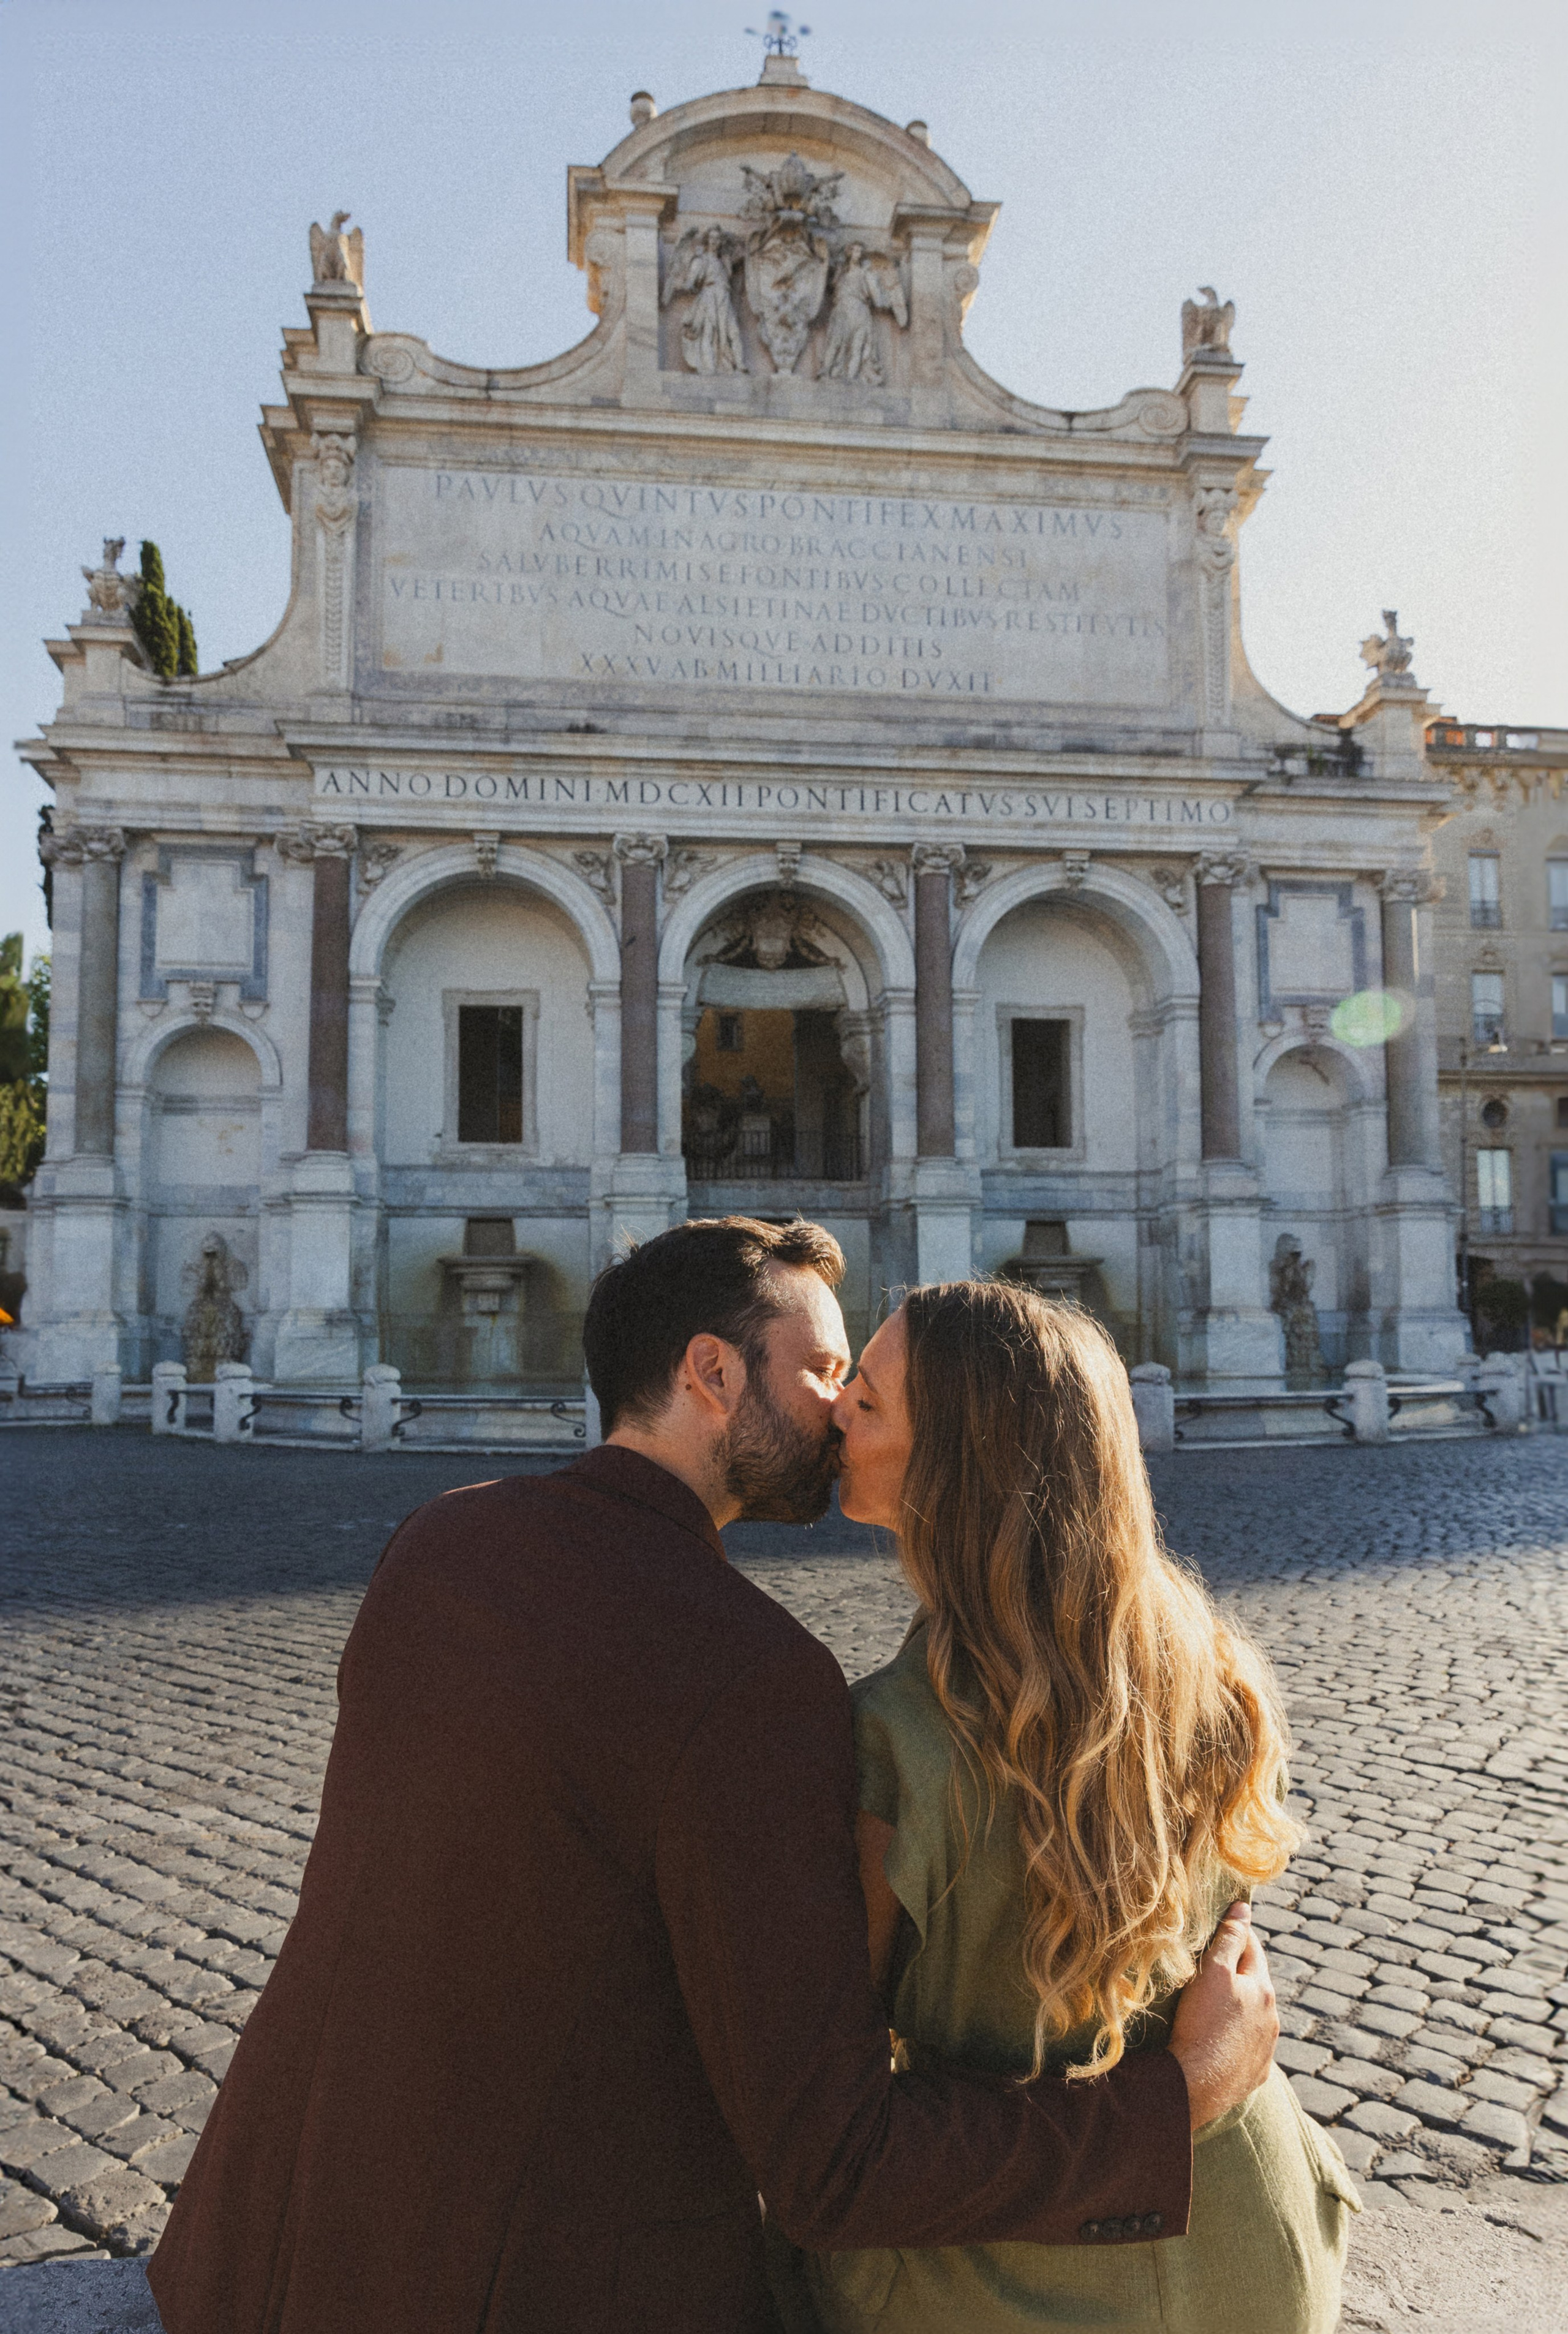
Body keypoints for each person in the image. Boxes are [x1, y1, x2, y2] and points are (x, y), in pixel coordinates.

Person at [148, 1220, 1278, 2334]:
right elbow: (833, 2161)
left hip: (262, 2242)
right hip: (527, 2286)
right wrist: (1173, 2102)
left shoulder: (438, 1541)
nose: (842, 1410)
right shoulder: (758, 1679)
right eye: (827, 1370)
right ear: (710, 1370)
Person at [791, 1281, 1357, 2334]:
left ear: (953, 1466)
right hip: (1248, 2235)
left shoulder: (883, 1742)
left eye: (865, 1403)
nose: (833, 1415)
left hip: (1012, 2273)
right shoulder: (1222, 1671)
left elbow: (844, 2129)